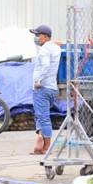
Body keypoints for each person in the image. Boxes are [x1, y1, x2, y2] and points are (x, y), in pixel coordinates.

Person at [29, 25, 61, 155]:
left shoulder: (44, 50)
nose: (36, 38)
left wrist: (38, 81)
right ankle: (40, 139)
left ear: (46, 37)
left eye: (38, 35)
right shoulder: (55, 48)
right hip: (52, 88)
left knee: (43, 117)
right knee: (41, 114)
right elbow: (58, 43)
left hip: (42, 88)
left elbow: (46, 65)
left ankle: (46, 147)